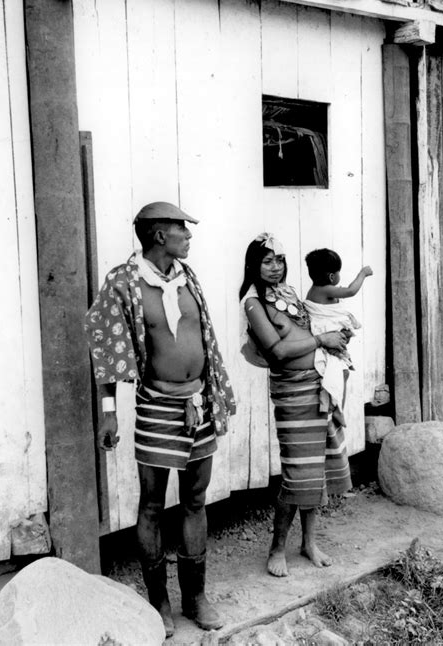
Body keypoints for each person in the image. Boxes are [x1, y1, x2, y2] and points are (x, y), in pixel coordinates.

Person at [85, 201, 236, 637]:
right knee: (152, 503)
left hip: (198, 403)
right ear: (158, 236)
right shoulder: (124, 282)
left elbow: (202, 336)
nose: (188, 236)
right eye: (181, 230)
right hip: (156, 405)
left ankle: (196, 597)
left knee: (195, 499)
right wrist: (109, 412)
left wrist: (210, 392)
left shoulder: (187, 278)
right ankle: (159, 602)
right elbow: (108, 351)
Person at [239, 233, 352, 578]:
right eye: (267, 261)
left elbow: (314, 328)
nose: (276, 268)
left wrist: (337, 337)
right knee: (296, 472)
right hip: (292, 394)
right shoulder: (254, 303)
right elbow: (277, 351)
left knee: (315, 469)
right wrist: (322, 340)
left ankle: (309, 543)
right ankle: (277, 548)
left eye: (280, 260)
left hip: (318, 386)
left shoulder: (289, 294)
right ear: (253, 265)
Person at [304, 248, 373, 412]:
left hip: (329, 336)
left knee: (341, 374)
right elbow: (350, 290)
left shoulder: (317, 290)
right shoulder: (325, 289)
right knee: (339, 375)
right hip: (327, 339)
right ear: (331, 277)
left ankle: (336, 408)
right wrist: (363, 273)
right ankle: (336, 409)